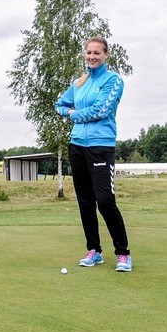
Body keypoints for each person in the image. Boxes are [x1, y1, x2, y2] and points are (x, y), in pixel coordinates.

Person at [54, 36, 132, 272]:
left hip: (101, 146)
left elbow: (100, 110)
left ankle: (123, 254)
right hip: (77, 145)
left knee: (105, 201)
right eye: (89, 52)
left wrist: (73, 114)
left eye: (97, 53)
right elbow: (59, 104)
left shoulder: (113, 80)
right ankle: (94, 251)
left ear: (106, 55)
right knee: (85, 202)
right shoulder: (79, 82)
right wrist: (70, 111)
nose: (92, 57)